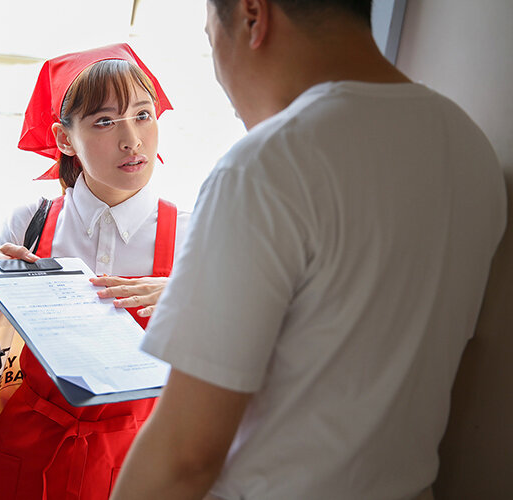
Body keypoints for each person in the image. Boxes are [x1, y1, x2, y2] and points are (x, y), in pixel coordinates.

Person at [112, 1, 507, 500]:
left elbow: (185, 455)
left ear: (253, 17)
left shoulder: (267, 165)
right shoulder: (468, 145)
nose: (222, 81)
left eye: (212, 39)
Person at [0, 43, 190, 500]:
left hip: (142, 463)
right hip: (26, 455)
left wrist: (189, 299)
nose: (132, 140)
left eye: (143, 115)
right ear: (63, 138)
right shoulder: (29, 223)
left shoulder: (194, 236)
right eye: (105, 121)